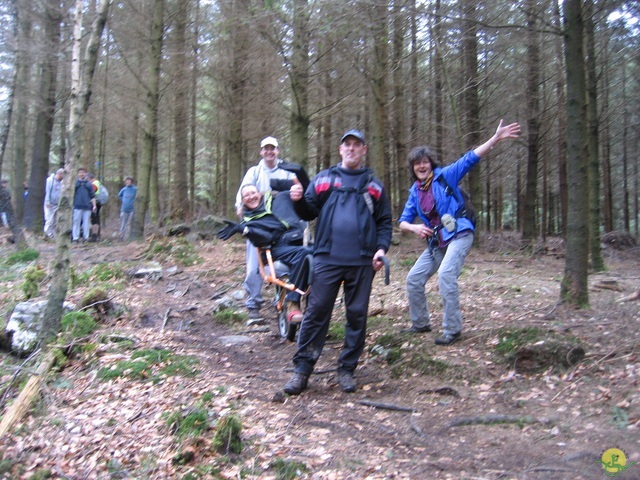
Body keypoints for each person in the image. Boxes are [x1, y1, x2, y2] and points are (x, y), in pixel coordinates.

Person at [283, 129, 392, 395]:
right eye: (347, 145)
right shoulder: (323, 180)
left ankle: (346, 369)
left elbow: (384, 223)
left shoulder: (374, 186)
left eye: (357, 145)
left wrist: (380, 250)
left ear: (364, 150)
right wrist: (297, 201)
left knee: (356, 315)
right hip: (326, 258)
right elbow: (308, 210)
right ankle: (302, 370)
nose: (352, 149)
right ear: (340, 149)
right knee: (316, 312)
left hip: (362, 261)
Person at [399, 119, 521, 345]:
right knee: (414, 278)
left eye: (425, 162)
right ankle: (420, 323)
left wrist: (495, 139)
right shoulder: (414, 193)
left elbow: (470, 158)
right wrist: (414, 227)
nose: (422, 166)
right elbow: (403, 223)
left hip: (460, 234)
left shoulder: (446, 176)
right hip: (437, 242)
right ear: (413, 168)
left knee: (446, 274)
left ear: (431, 164)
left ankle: (452, 330)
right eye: (417, 164)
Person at [219, 184, 312, 323]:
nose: (251, 197)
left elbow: (300, 193)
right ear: (242, 201)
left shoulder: (275, 199)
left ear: (259, 193)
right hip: (275, 248)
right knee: (304, 254)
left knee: (320, 255)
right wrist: (243, 230)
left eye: (253, 193)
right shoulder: (249, 221)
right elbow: (264, 238)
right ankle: (293, 303)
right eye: (247, 195)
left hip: (298, 239)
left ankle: (315, 304)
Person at [235, 136, 300, 319]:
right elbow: (243, 194)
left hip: (284, 223)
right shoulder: (255, 172)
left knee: (289, 259)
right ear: (261, 152)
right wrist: (241, 209)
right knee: (254, 265)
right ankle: (253, 304)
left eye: (273, 149)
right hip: (259, 222)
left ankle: (285, 296)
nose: (269, 152)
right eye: (266, 149)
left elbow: (297, 190)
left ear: (277, 150)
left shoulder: (286, 170)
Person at [72, 167, 96, 243]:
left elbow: (92, 196)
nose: (82, 174)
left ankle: (86, 238)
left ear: (86, 174)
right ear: (78, 174)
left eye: (83, 172)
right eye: (80, 172)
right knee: (76, 222)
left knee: (86, 223)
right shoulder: (75, 183)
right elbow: (72, 195)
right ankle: (75, 238)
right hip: (77, 206)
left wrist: (94, 206)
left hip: (87, 207)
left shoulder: (89, 184)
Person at [43, 168, 65, 238]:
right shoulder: (50, 180)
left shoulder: (62, 182)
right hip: (50, 204)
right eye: (62, 176)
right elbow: (48, 191)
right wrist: (47, 201)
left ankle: (53, 235)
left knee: (55, 221)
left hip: (57, 204)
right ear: (59, 174)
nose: (63, 178)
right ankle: (47, 234)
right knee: (49, 220)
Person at [118, 176, 137, 241]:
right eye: (127, 181)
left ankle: (129, 237)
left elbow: (137, 196)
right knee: (123, 223)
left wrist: (134, 202)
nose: (128, 182)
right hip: (124, 209)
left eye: (129, 181)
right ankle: (121, 236)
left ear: (131, 182)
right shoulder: (124, 189)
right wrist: (123, 199)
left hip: (132, 209)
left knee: (130, 223)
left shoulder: (135, 189)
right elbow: (119, 195)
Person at [87, 173, 104, 242]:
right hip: (98, 202)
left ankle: (94, 235)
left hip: (96, 203)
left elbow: (92, 192)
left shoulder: (94, 183)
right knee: (96, 218)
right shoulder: (98, 183)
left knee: (95, 219)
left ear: (90, 178)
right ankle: (96, 235)